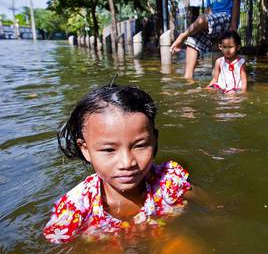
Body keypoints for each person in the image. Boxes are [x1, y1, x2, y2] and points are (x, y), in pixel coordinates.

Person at [43, 84, 193, 244]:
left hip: (164, 238)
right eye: (109, 150)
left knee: (181, 252)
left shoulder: (169, 180)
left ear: (154, 140)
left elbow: (213, 208)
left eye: (140, 145)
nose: (127, 163)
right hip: (107, 246)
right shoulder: (74, 209)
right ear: (86, 150)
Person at [170, 0, 241, 79]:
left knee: (201, 19)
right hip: (213, 20)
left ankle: (182, 36)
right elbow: (209, 9)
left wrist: (233, 25)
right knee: (192, 38)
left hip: (226, 17)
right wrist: (203, 26)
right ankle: (188, 79)